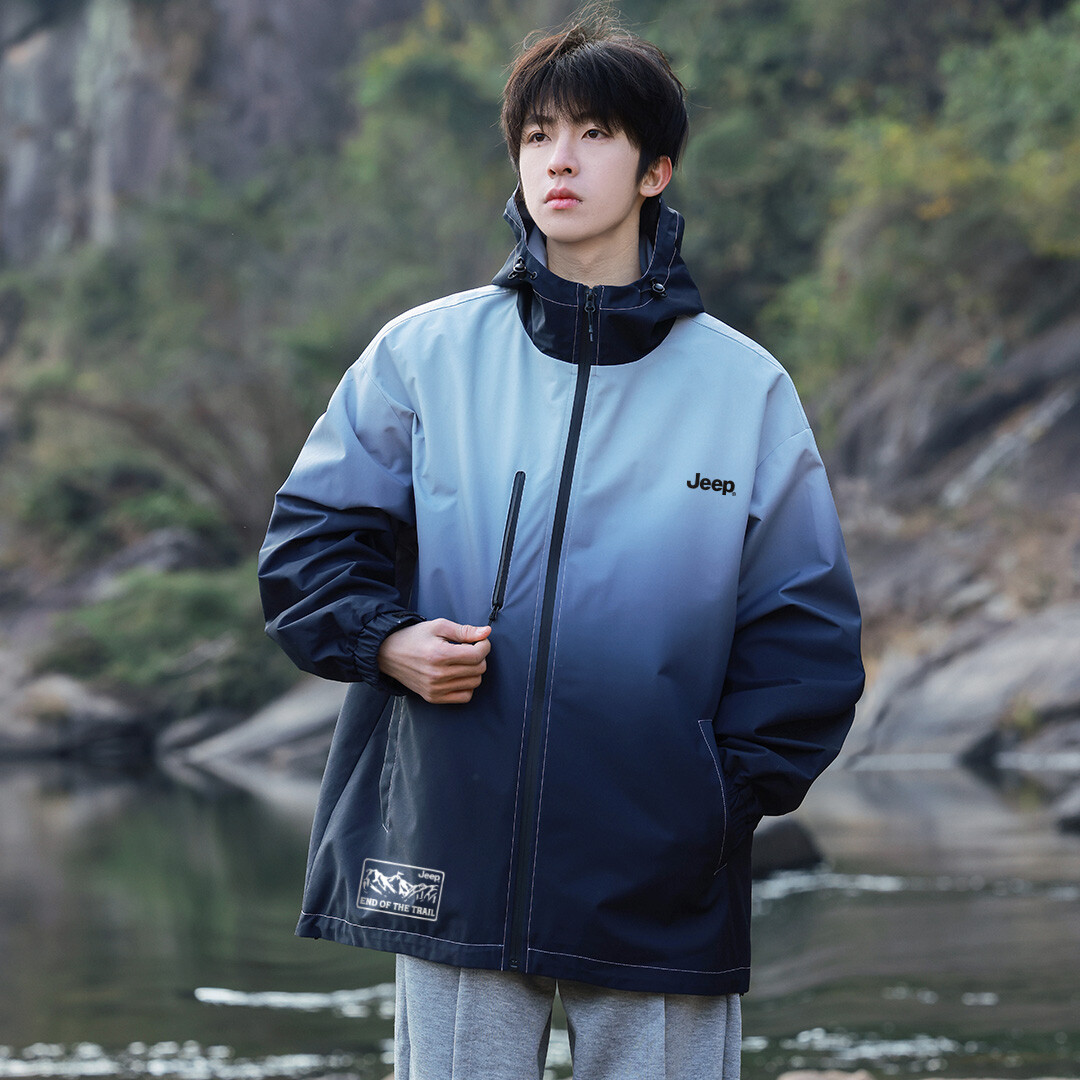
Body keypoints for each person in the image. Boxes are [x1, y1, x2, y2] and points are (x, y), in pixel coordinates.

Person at [258, 8, 864, 1078]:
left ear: (655, 170)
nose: (560, 160)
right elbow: (308, 546)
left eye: (593, 133)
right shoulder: (422, 356)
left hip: (661, 866)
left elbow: (804, 633)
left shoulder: (745, 390)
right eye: (538, 136)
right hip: (452, 846)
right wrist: (387, 641)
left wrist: (713, 804)